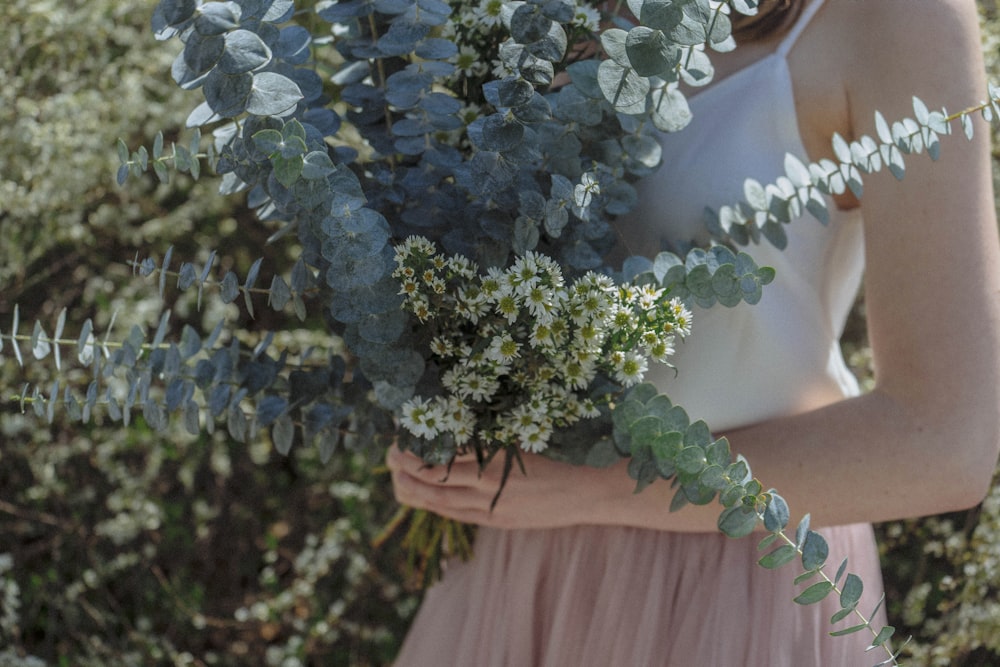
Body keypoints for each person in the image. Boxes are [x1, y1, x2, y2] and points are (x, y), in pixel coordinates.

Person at [386, 0, 1000, 664]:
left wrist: (587, 487)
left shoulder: (901, 19)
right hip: (514, 561)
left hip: (736, 586)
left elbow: (943, 443)